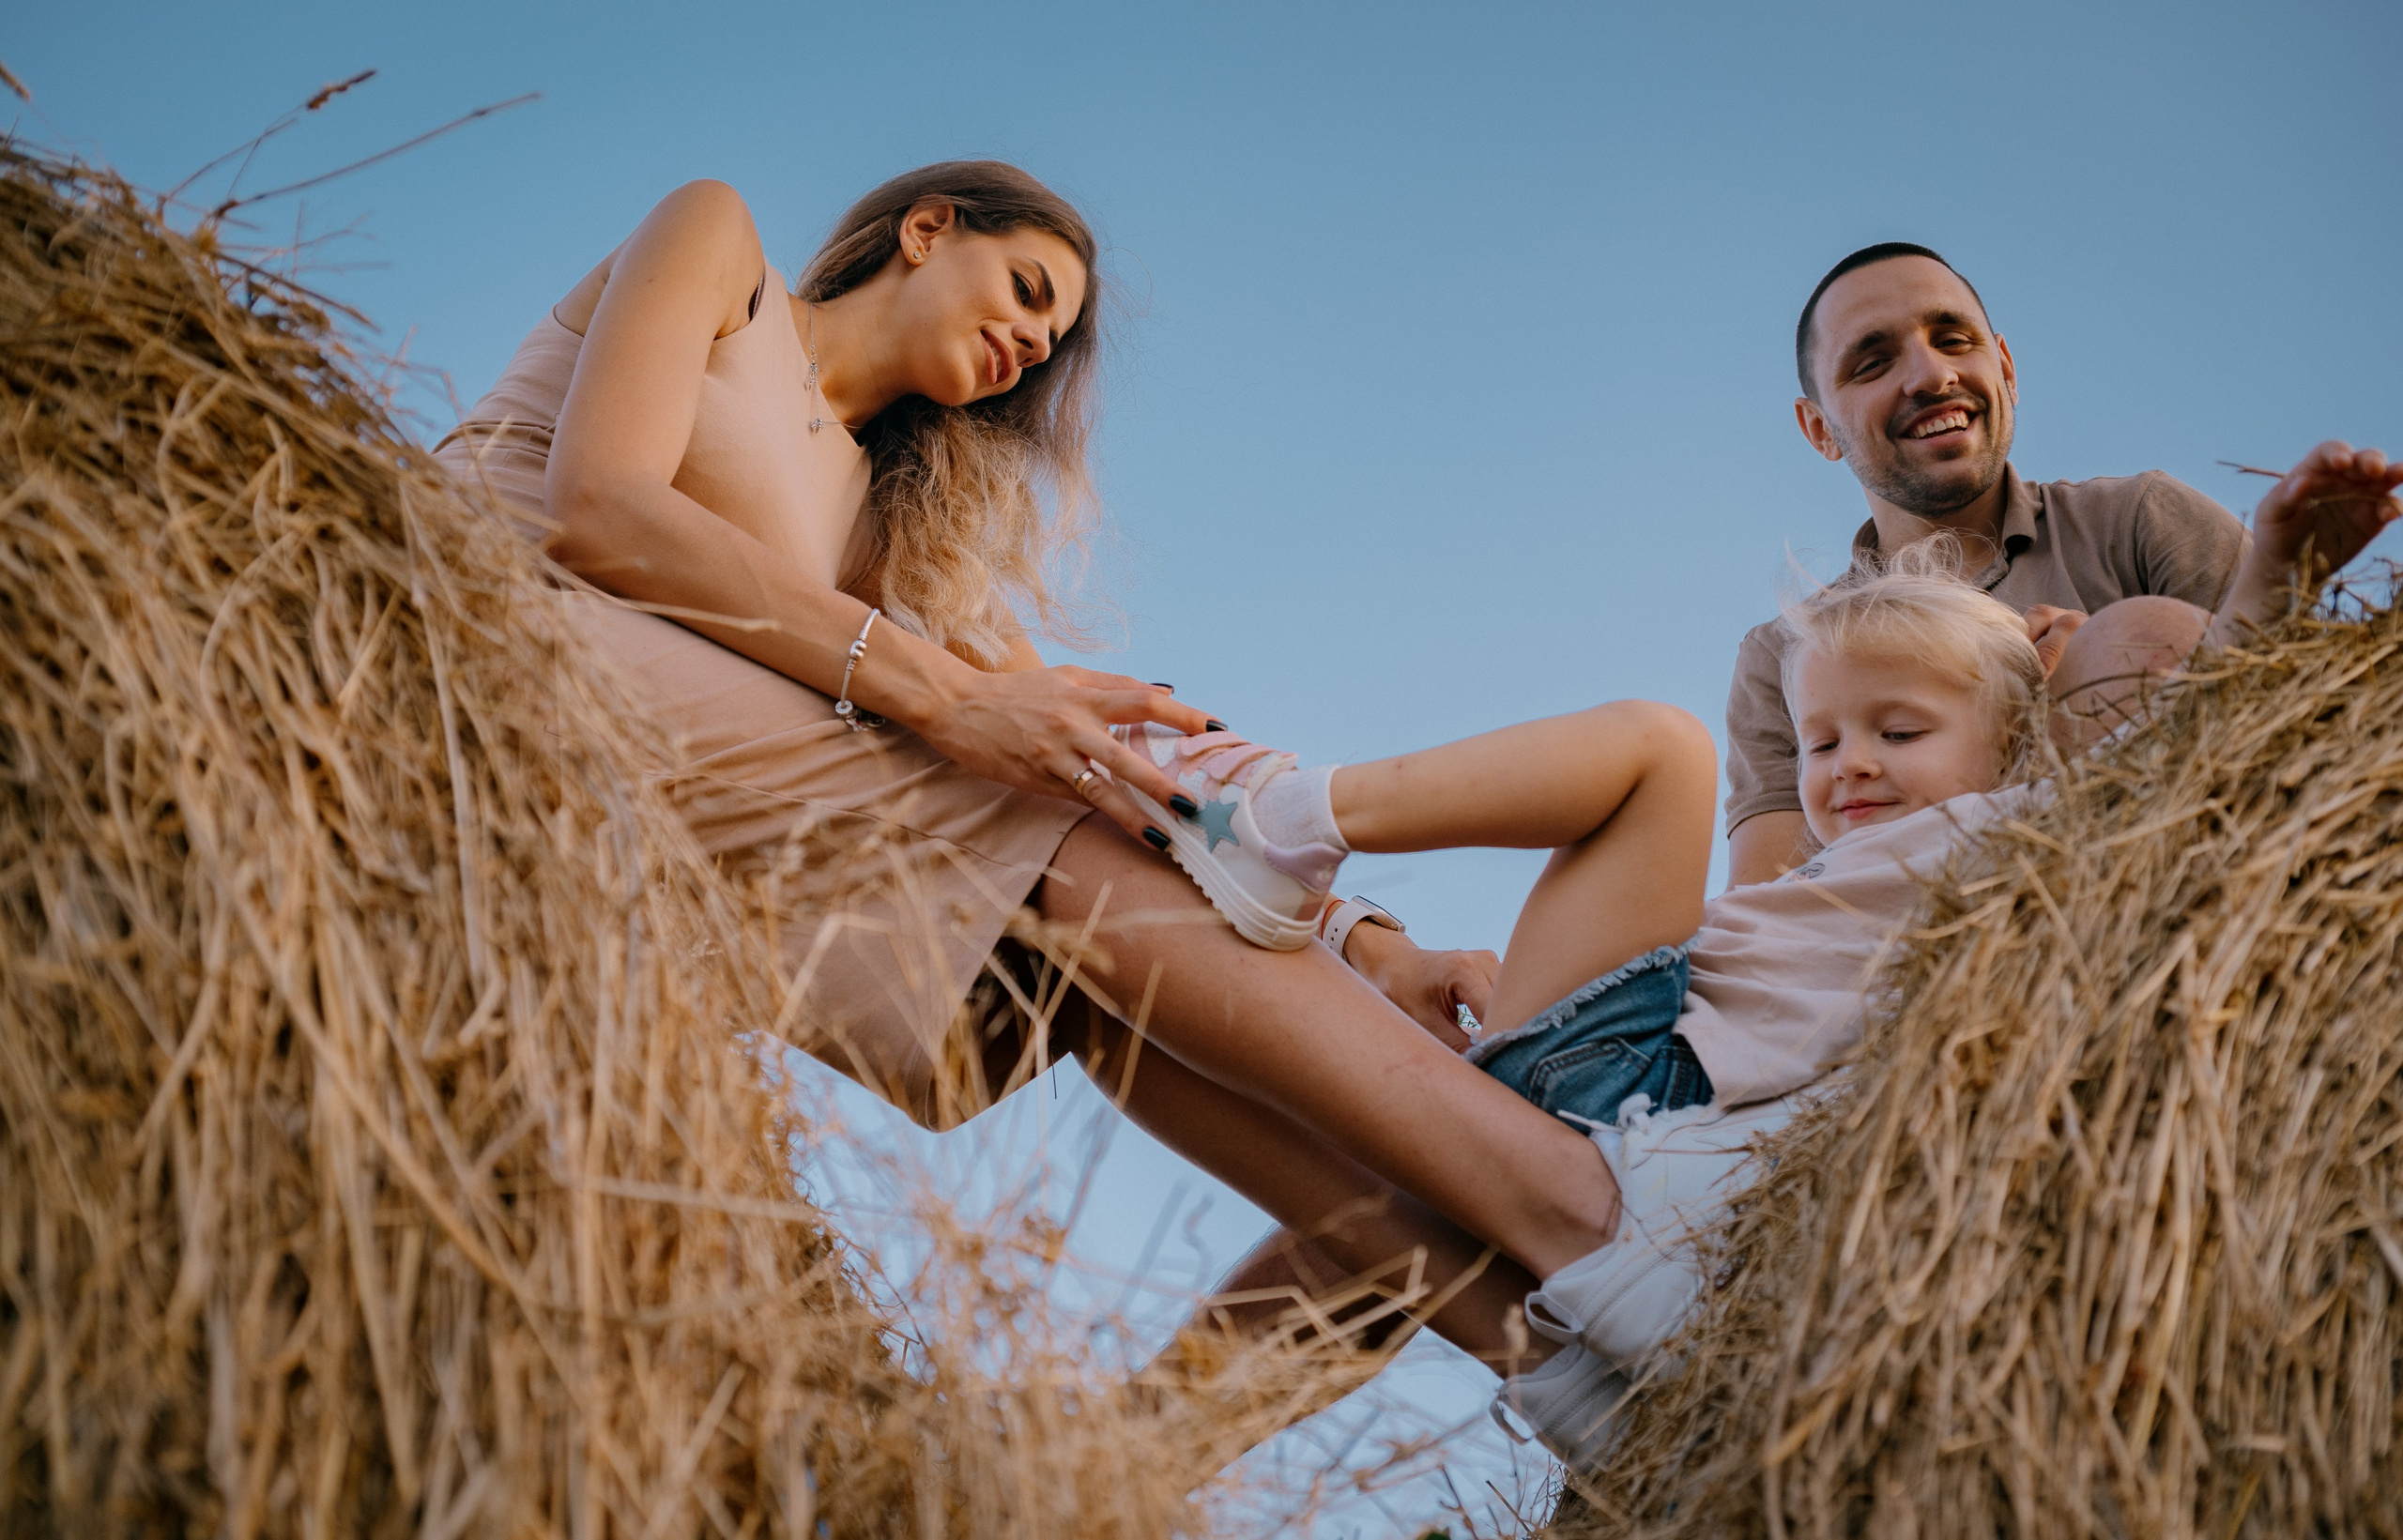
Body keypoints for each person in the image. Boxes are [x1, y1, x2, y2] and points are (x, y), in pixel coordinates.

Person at [431, 161, 1647, 1402]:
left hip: (665, 813)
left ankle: (1565, 1364)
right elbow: (595, 506)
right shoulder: (719, 249)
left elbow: (1101, 757)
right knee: (1022, 811)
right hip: (480, 656)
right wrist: (945, 699)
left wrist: (1363, 938)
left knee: (1084, 958)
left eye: (1050, 337)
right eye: (1026, 289)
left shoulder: (885, 520)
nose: (1032, 340)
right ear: (925, 228)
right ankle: (1591, 1220)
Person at [1133, 439, 2397, 1465]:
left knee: (1661, 753)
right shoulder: (1842, 862)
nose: (1850, 768)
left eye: (1898, 730)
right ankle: (1134, 1443)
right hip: (1637, 1054)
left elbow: (2187, 762)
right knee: (1358, 1171)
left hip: (1639, 1084)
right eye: (1825, 743)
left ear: (2014, 745)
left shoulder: (2026, 839)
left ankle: (1289, 815)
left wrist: (2276, 563)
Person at [1723, 243, 2254, 888]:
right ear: (1819, 430)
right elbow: (1769, 907)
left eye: (1953, 339)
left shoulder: (2143, 521)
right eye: (1872, 363)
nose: (1930, 375)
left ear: (2004, 367)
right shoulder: (1782, 650)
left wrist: (2100, 682)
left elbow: (2295, 715)